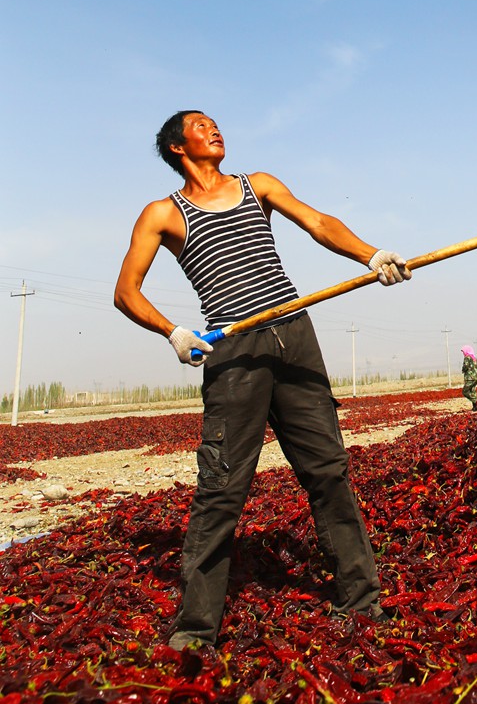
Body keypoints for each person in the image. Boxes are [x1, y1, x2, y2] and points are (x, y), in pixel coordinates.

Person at [113, 109, 410, 652]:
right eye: (202, 126)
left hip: (293, 333)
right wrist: (174, 332)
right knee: (223, 489)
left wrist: (371, 255)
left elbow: (319, 222)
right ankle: (197, 627)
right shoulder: (164, 213)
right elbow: (126, 292)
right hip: (235, 352)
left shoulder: (259, 185)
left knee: (328, 470)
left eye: (216, 124)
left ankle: (360, 598)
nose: (216, 130)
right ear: (178, 147)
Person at [460, 345, 477, 411]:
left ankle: (475, 400)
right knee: (473, 391)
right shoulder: (474, 358)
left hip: (469, 378)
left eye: (463, 351)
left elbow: (465, 366)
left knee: (465, 391)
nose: (463, 353)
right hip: (475, 377)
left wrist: (463, 370)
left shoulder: (467, 358)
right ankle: (475, 407)